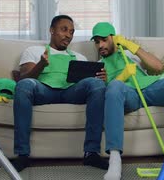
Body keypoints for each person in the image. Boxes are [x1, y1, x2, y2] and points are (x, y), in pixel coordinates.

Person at [91, 22, 164, 180]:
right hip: (128, 95)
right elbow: (107, 96)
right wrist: (118, 78)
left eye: (104, 40)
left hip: (151, 88)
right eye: (97, 42)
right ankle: (115, 159)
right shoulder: (98, 66)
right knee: (115, 86)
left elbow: (157, 67)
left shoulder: (128, 53)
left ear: (113, 38)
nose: (100, 45)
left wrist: (130, 46)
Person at [12, 15, 109, 171]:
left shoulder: (79, 57)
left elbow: (88, 85)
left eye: (71, 32)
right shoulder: (34, 51)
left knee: (97, 84)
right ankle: (22, 155)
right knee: (24, 86)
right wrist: (41, 65)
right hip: (43, 91)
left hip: (71, 92)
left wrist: (101, 79)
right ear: (51, 30)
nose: (68, 35)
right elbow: (24, 78)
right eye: (64, 30)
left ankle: (91, 153)